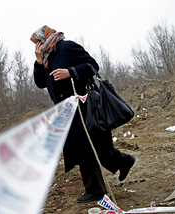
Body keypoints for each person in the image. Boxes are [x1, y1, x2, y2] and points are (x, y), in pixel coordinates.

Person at [30, 25, 136, 203]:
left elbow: (93, 65)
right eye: (35, 44)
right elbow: (40, 83)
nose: (37, 47)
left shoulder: (66, 47)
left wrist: (70, 72)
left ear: (46, 38)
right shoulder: (46, 59)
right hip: (67, 112)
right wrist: (39, 62)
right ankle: (103, 182)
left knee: (95, 147)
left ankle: (109, 176)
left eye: (38, 42)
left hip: (85, 106)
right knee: (83, 150)